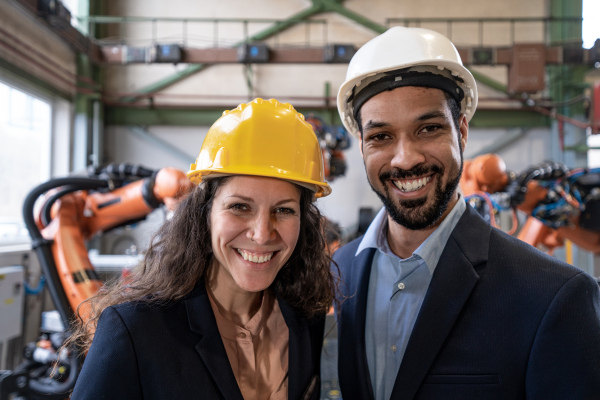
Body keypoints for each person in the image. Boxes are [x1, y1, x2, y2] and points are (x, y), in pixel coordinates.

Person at [333, 26, 600, 400]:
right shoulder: (337, 275)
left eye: (428, 128)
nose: (405, 158)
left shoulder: (553, 297)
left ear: (461, 132)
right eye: (381, 136)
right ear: (361, 145)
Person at [70, 98, 335, 400]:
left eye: (284, 210)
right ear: (204, 212)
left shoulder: (305, 319)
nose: (262, 234)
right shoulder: (135, 330)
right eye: (239, 207)